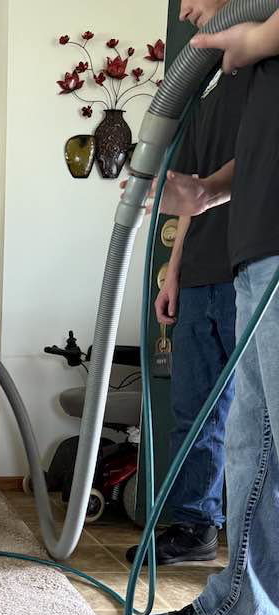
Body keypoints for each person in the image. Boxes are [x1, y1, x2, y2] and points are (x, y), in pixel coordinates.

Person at [135, 2, 279, 615]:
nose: (189, 9)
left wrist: (257, 34)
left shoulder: (258, 29)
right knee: (255, 451)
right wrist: (209, 192)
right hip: (255, 242)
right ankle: (243, 607)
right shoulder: (239, 75)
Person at [127, 57, 251, 566]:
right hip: (199, 275)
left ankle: (249, 547)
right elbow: (191, 196)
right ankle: (195, 524)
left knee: (253, 421)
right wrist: (172, 269)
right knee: (193, 412)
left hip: (253, 267)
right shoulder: (206, 100)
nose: (183, 9)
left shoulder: (267, 85)